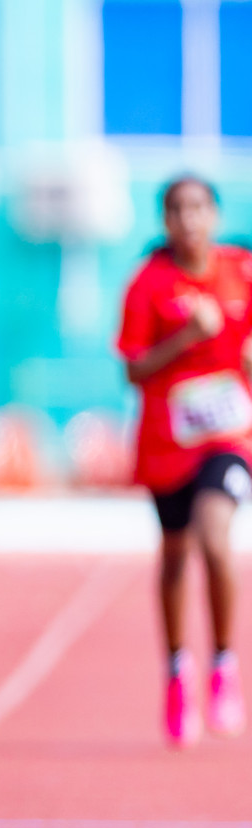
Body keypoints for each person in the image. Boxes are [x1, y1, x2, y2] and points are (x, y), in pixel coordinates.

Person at [117, 174, 252, 748]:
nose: (189, 219)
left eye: (199, 207)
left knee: (215, 537)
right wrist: (186, 338)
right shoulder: (149, 284)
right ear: (165, 221)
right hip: (167, 442)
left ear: (215, 216)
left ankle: (224, 663)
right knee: (174, 555)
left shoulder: (240, 271)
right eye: (177, 209)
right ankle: (178, 670)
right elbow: (134, 370)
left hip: (228, 436)